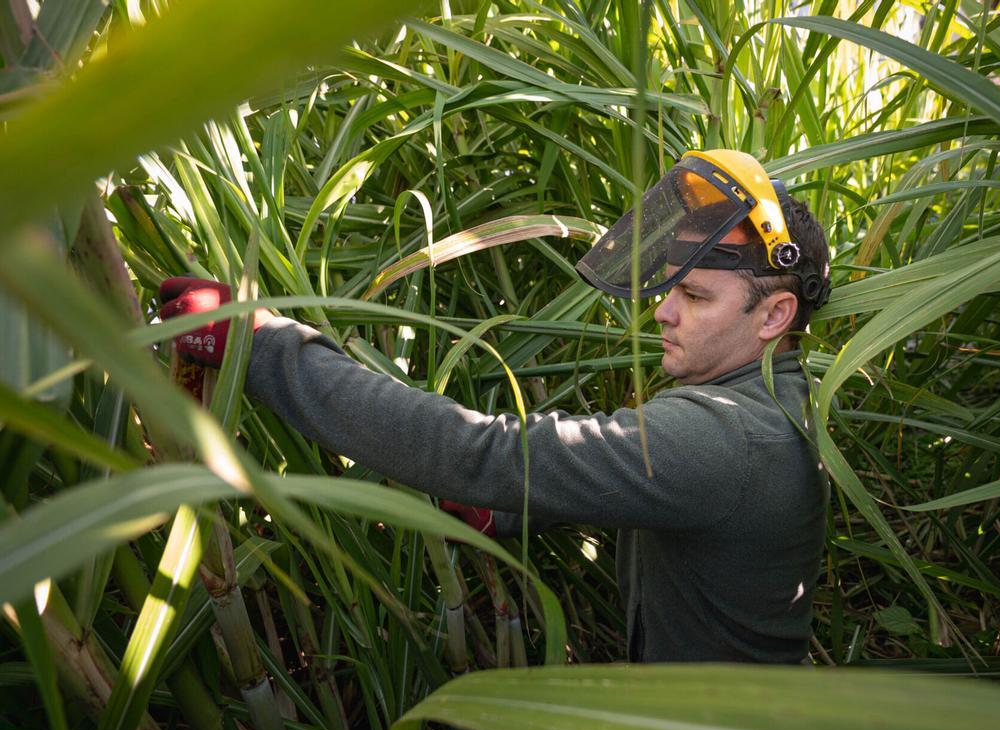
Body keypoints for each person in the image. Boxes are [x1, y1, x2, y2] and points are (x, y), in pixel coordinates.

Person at [159, 149, 831, 664]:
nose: (662, 310)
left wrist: (261, 343)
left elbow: (484, 453)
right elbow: (644, 482)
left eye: (696, 296)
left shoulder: (730, 439)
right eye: (671, 288)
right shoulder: (768, 402)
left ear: (774, 314)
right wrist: (504, 509)